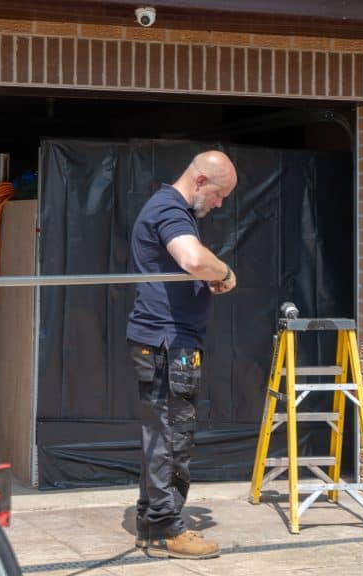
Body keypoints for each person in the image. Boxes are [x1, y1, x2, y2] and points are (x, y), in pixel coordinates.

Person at [126, 150, 238, 559]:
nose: (219, 204)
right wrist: (224, 272)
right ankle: (167, 529)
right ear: (201, 181)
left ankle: (151, 522)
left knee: (163, 433)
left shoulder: (169, 208)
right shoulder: (170, 209)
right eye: (219, 194)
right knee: (173, 436)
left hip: (166, 340)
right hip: (167, 342)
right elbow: (192, 258)